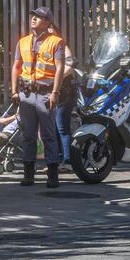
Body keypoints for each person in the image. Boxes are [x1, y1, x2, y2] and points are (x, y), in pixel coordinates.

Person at [10, 6, 65, 188]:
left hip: (45, 94)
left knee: (48, 135)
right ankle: (28, 174)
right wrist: (14, 91)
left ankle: (52, 174)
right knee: (28, 135)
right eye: (33, 16)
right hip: (26, 95)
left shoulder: (56, 42)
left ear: (48, 22)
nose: (33, 19)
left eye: (39, 17)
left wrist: (55, 93)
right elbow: (16, 67)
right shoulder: (23, 42)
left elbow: (59, 69)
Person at [53, 30, 80, 179]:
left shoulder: (61, 44)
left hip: (65, 94)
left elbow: (72, 63)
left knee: (62, 128)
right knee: (55, 128)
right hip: (55, 93)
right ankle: (57, 162)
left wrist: (58, 77)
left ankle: (68, 162)